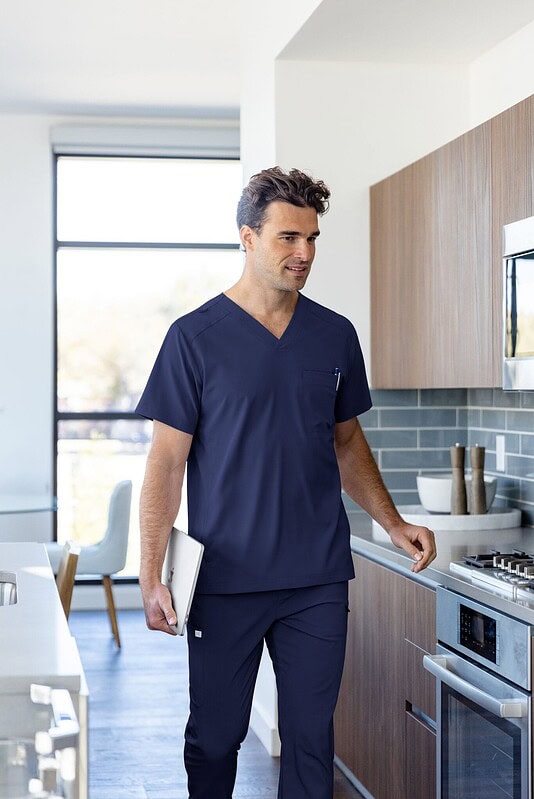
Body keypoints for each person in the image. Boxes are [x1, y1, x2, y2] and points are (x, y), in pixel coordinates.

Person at [136, 166, 437, 799]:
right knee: (215, 737)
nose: (304, 253)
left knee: (310, 741)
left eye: (313, 239)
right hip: (225, 580)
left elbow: (346, 440)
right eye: (288, 238)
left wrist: (394, 523)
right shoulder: (194, 338)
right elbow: (165, 462)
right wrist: (151, 574)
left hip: (316, 578)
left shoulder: (334, 334)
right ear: (247, 237)